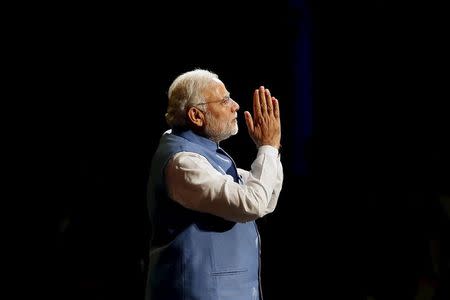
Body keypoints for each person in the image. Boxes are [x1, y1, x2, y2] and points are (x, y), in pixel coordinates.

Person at [145, 68, 283, 300]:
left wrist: (271, 147)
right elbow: (252, 203)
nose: (236, 105)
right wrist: (267, 147)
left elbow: (266, 199)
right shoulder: (183, 162)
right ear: (196, 116)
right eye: (225, 100)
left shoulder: (209, 156)